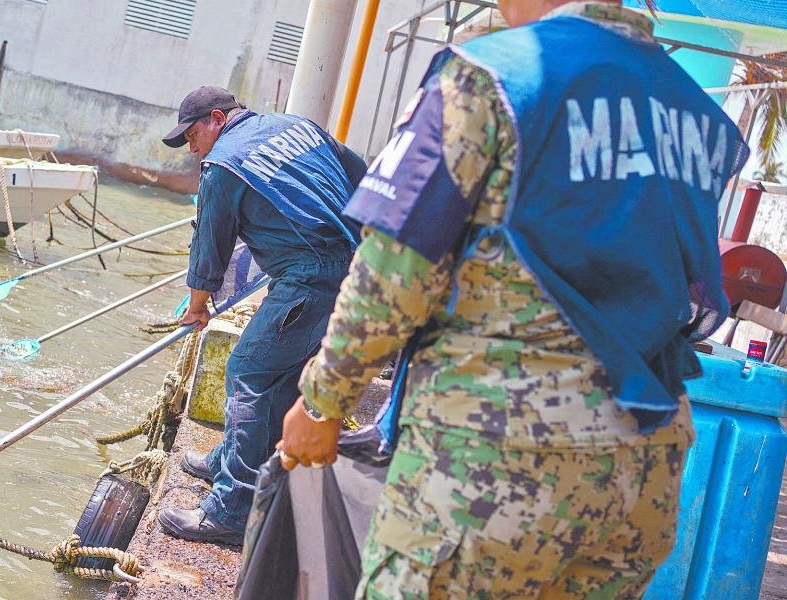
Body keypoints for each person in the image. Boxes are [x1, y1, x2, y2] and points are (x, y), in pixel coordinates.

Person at [278, 0, 748, 597]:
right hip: (642, 475)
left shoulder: (491, 75)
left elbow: (392, 274)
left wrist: (322, 404)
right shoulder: (695, 110)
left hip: (493, 469)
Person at [156, 86, 367, 545]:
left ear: (217, 118)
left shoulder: (222, 164)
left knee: (249, 371)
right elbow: (361, 174)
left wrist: (197, 306)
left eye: (192, 136)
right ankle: (229, 463)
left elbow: (209, 248)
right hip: (357, 262)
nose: (192, 149)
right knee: (280, 373)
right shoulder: (297, 125)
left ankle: (232, 512)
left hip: (311, 276)